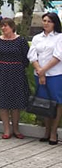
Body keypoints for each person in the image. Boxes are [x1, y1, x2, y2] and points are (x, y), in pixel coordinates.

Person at [0, 18, 30, 139]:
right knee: (3, 102)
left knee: (15, 102)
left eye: (5, 26)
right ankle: (6, 129)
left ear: (12, 27)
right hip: (1, 73)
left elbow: (26, 57)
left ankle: (16, 129)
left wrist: (18, 67)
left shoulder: (21, 40)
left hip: (16, 73)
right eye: (1, 26)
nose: (3, 28)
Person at [27, 12, 62, 145]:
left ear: (54, 23)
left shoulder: (59, 37)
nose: (46, 23)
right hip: (39, 74)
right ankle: (47, 130)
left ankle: (54, 131)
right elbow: (32, 55)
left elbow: (58, 56)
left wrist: (43, 70)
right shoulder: (37, 38)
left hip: (55, 75)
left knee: (57, 102)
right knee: (44, 102)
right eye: (44, 21)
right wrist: (39, 71)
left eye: (49, 21)